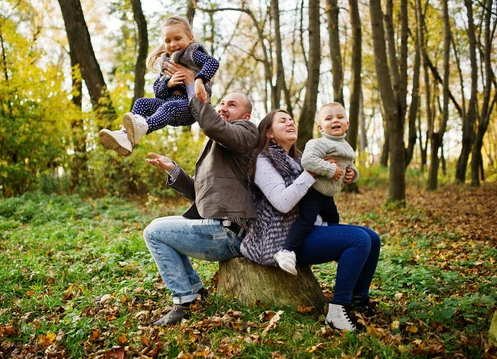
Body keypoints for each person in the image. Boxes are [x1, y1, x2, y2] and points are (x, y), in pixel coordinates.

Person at [240, 109, 380, 331]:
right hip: (280, 240)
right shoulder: (263, 161)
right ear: (269, 133)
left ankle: (357, 301)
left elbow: (322, 190)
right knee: (358, 239)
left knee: (372, 238)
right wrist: (314, 172)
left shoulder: (298, 158)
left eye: (291, 120)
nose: (290, 123)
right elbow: (283, 203)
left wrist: (347, 172)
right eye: (282, 121)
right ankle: (337, 312)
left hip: (306, 229)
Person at [143, 70, 258, 326]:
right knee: (163, 231)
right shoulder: (220, 145)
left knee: (154, 231)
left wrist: (192, 89)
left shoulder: (247, 132)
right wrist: (173, 170)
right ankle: (194, 292)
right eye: (222, 103)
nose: (223, 107)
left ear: (246, 116)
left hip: (231, 231)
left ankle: (184, 300)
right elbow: (202, 194)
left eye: (232, 104)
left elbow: (210, 124)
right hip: (218, 228)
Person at [99, 15, 219, 156]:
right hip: (167, 108)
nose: (172, 44)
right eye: (167, 41)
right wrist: (168, 84)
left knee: (169, 107)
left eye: (177, 38)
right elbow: (158, 93)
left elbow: (212, 63)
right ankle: (126, 137)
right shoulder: (166, 61)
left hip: (189, 108)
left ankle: (144, 126)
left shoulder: (192, 53)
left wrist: (199, 80)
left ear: (190, 38)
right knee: (141, 103)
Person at [274, 102, 358, 276]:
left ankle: (333, 246)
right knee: (306, 221)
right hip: (313, 191)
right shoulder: (318, 143)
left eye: (340, 117)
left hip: (328, 195)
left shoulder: (347, 147)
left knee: (334, 219)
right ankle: (287, 252)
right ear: (320, 127)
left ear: (347, 124)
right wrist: (330, 169)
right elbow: (308, 161)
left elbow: (350, 164)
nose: (335, 120)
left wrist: (352, 173)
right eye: (329, 118)